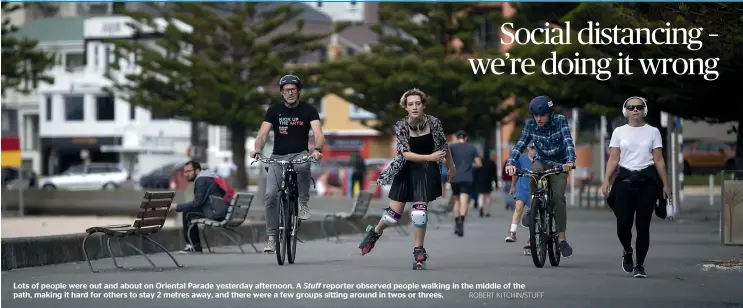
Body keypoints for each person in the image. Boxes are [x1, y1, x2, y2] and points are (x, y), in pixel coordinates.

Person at [358, 88, 456, 267]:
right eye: (410, 104)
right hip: (406, 168)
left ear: (423, 105)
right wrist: (431, 157)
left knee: (419, 213)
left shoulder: (434, 122)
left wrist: (451, 167)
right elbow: (406, 154)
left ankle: (419, 250)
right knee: (391, 216)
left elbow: (444, 145)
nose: (415, 107)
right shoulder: (401, 126)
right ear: (406, 107)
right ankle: (375, 233)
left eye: (418, 103)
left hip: (426, 171)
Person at [250, 74, 325, 254]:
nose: (290, 93)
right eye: (286, 90)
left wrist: (317, 149)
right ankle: (271, 239)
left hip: (299, 153)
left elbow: (318, 133)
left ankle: (303, 203)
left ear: (298, 91)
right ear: (281, 93)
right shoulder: (274, 110)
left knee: (304, 165)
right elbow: (262, 134)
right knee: (270, 196)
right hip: (277, 156)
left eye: (293, 89)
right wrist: (257, 149)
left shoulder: (309, 110)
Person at [602, 96, 671, 278]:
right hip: (624, 180)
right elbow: (614, 158)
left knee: (643, 225)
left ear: (644, 110)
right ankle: (627, 249)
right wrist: (606, 180)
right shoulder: (619, 131)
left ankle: (640, 265)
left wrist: (666, 184)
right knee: (623, 223)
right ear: (626, 111)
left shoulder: (653, 132)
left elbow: (658, 159)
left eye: (639, 107)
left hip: (647, 182)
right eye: (631, 107)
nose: (635, 110)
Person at [505, 95, 576, 258]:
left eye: (542, 115)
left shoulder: (560, 121)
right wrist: (511, 163)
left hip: (559, 163)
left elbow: (568, 141)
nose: (539, 119)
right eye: (536, 115)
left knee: (558, 197)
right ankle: (533, 209)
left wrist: (570, 161)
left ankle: (562, 239)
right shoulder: (530, 125)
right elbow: (520, 144)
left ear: (550, 113)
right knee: (533, 173)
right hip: (541, 161)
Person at [169, 161, 231, 253]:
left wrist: (177, 206)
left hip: (216, 213)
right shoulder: (210, 177)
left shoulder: (201, 180)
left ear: (197, 171)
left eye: (188, 171)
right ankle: (195, 245)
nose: (186, 174)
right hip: (221, 211)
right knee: (190, 212)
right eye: (184, 172)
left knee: (188, 213)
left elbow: (197, 203)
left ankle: (193, 245)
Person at [449, 131, 481, 237]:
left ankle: (456, 221)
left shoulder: (451, 147)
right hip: (467, 177)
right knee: (464, 201)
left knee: (456, 200)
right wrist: (469, 166)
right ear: (466, 138)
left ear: (456, 138)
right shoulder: (472, 148)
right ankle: (461, 221)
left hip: (454, 177)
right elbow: (479, 164)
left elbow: (445, 160)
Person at [505, 143, 536, 248]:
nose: (534, 151)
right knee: (518, 207)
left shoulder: (541, 159)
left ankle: (531, 238)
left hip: (536, 190)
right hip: (522, 188)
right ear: (528, 148)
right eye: (532, 148)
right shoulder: (521, 158)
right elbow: (515, 173)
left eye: (536, 148)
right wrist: (513, 186)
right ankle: (512, 232)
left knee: (534, 213)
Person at [475, 149, 498, 217]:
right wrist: (496, 183)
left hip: (480, 181)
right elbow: (495, 174)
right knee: (488, 196)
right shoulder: (492, 163)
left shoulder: (480, 163)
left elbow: (475, 173)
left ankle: (481, 207)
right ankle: (487, 211)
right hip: (488, 182)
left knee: (481, 196)